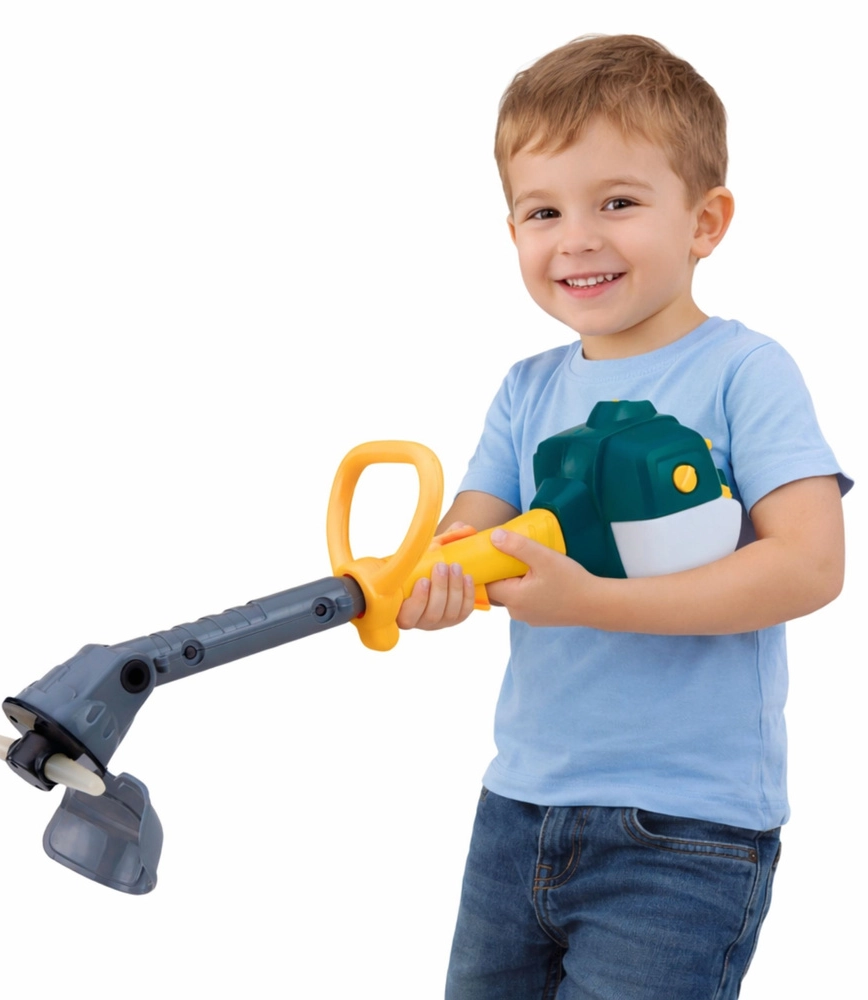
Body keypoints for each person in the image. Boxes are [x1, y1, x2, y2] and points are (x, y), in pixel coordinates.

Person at [395, 35, 850, 999]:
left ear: (705, 222)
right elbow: (470, 541)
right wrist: (425, 583)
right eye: (544, 211)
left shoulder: (744, 371)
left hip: (685, 830)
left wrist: (589, 601)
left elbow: (810, 565)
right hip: (519, 806)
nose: (576, 239)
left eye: (618, 203)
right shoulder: (525, 390)